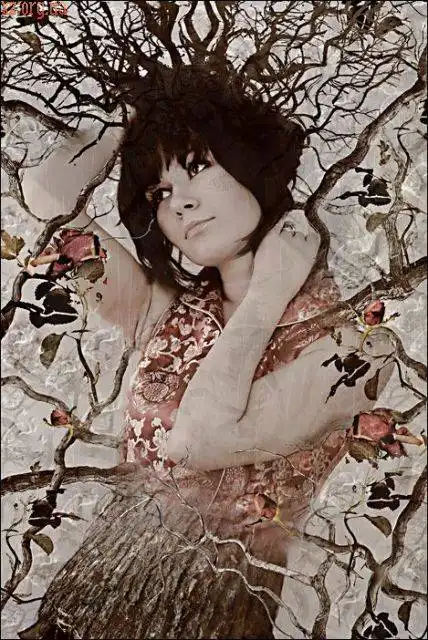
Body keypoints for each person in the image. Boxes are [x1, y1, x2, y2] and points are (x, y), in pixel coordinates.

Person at [20, 67, 395, 639]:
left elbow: (197, 442)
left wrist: (267, 294)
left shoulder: (354, 348)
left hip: (215, 607)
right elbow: (46, 192)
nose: (181, 205)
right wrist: (134, 114)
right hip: (94, 594)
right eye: (159, 192)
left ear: (252, 164)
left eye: (197, 167)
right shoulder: (166, 312)